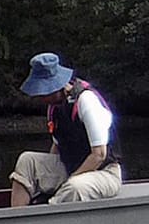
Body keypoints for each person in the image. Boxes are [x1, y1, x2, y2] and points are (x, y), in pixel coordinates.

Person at [10, 52, 122, 206]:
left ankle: (45, 218)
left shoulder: (86, 101)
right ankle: (18, 220)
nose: (40, 97)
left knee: (75, 187)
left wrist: (67, 183)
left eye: (43, 91)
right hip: (70, 167)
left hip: (105, 172)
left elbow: (99, 155)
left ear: (57, 86)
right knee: (27, 160)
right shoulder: (54, 109)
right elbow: (56, 147)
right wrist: (47, 184)